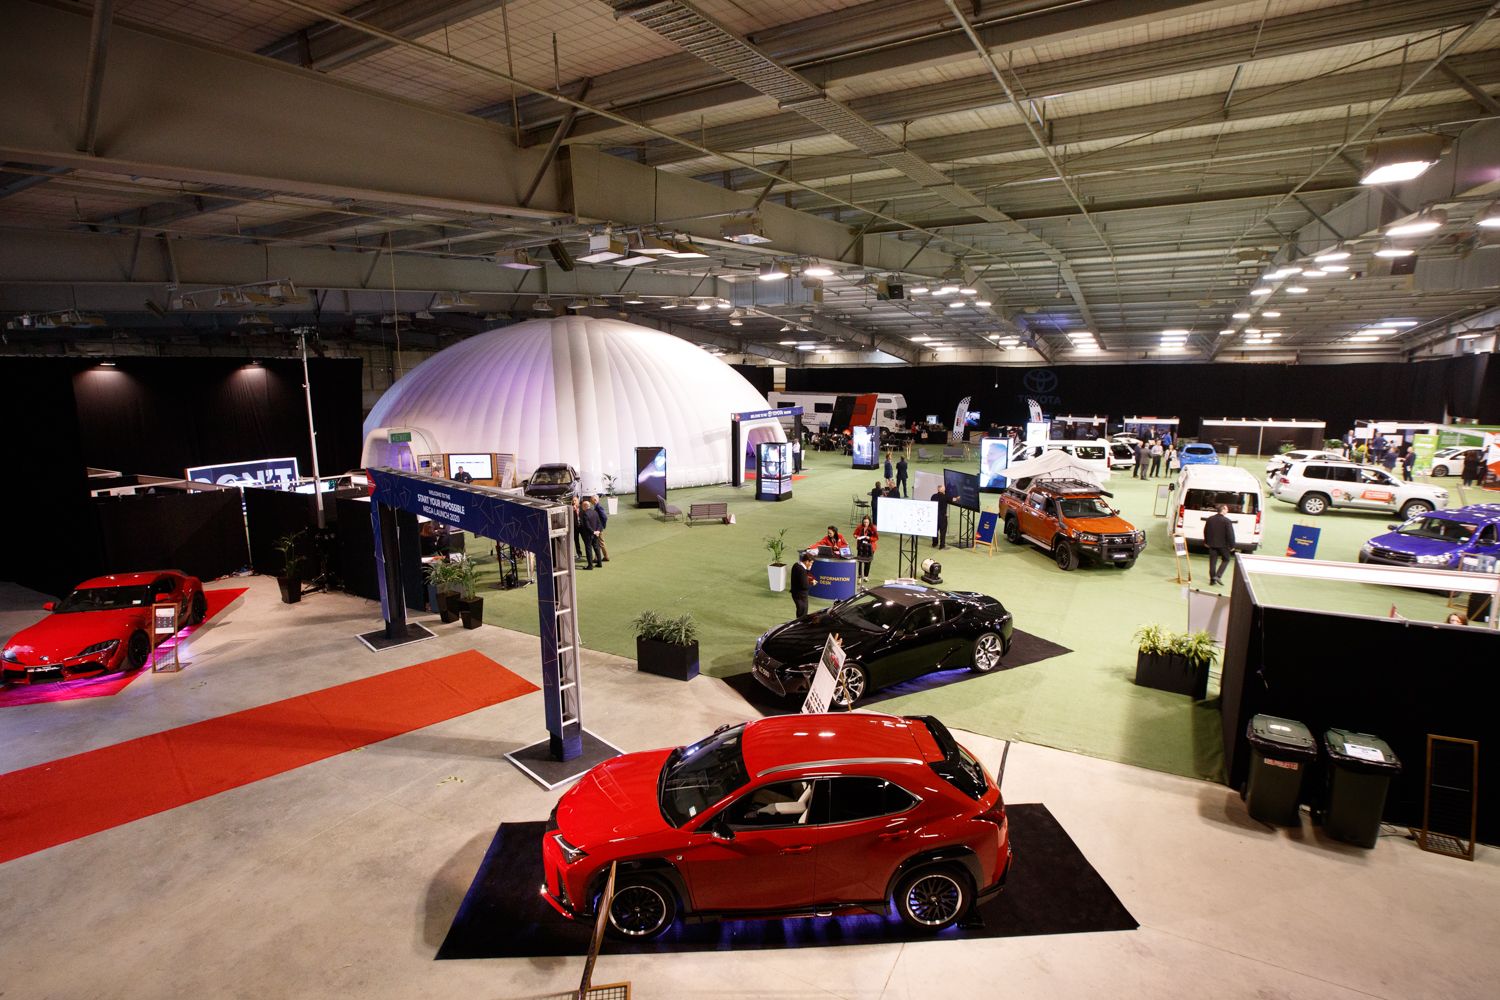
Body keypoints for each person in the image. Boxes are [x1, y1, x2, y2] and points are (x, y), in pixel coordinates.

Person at [1204, 503, 1236, 586]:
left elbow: (1206, 531)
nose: (1227, 510)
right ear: (1223, 510)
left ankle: (1212, 580)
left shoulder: (1210, 519)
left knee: (1212, 563)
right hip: (1223, 545)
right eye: (1226, 509)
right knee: (1226, 559)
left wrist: (1206, 542)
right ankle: (1218, 576)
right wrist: (1232, 546)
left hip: (1212, 544)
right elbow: (1230, 534)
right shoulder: (1227, 521)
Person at [577, 498, 603, 569]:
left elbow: (587, 526)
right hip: (596, 534)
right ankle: (599, 563)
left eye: (582, 506)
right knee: (596, 548)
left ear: (584, 506)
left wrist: (593, 532)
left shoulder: (585, 514)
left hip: (588, 535)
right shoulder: (595, 512)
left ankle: (590, 566)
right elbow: (599, 523)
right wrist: (597, 531)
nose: (582, 508)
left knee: (588, 549)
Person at [854, 515, 878, 585]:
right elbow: (855, 533)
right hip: (861, 547)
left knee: (868, 562)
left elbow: (876, 538)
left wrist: (869, 538)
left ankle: (866, 576)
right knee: (860, 561)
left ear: (869, 522)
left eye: (867, 522)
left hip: (870, 548)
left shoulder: (873, 528)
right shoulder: (860, 527)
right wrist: (856, 536)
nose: (865, 524)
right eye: (864, 522)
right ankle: (859, 577)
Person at [790, 550, 814, 618]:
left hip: (796, 594)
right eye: (811, 563)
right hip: (801, 596)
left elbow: (801, 579)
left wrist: (808, 570)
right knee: (802, 614)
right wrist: (811, 583)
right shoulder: (802, 571)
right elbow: (805, 586)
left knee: (800, 612)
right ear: (807, 561)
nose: (811, 565)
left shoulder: (796, 565)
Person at [591, 494, 610, 562]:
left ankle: (606, 556)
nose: (590, 501)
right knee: (598, 542)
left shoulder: (598, 507)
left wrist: (602, 525)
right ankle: (597, 557)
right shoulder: (597, 507)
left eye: (591, 499)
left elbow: (604, 517)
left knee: (600, 542)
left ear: (595, 500)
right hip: (598, 527)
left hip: (598, 528)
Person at [930, 484, 949, 549]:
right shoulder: (945, 497)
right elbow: (953, 499)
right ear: (943, 490)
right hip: (942, 517)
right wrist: (957, 498)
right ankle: (942, 545)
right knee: (943, 532)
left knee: (934, 531)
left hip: (935, 516)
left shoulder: (933, 496)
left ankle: (934, 543)